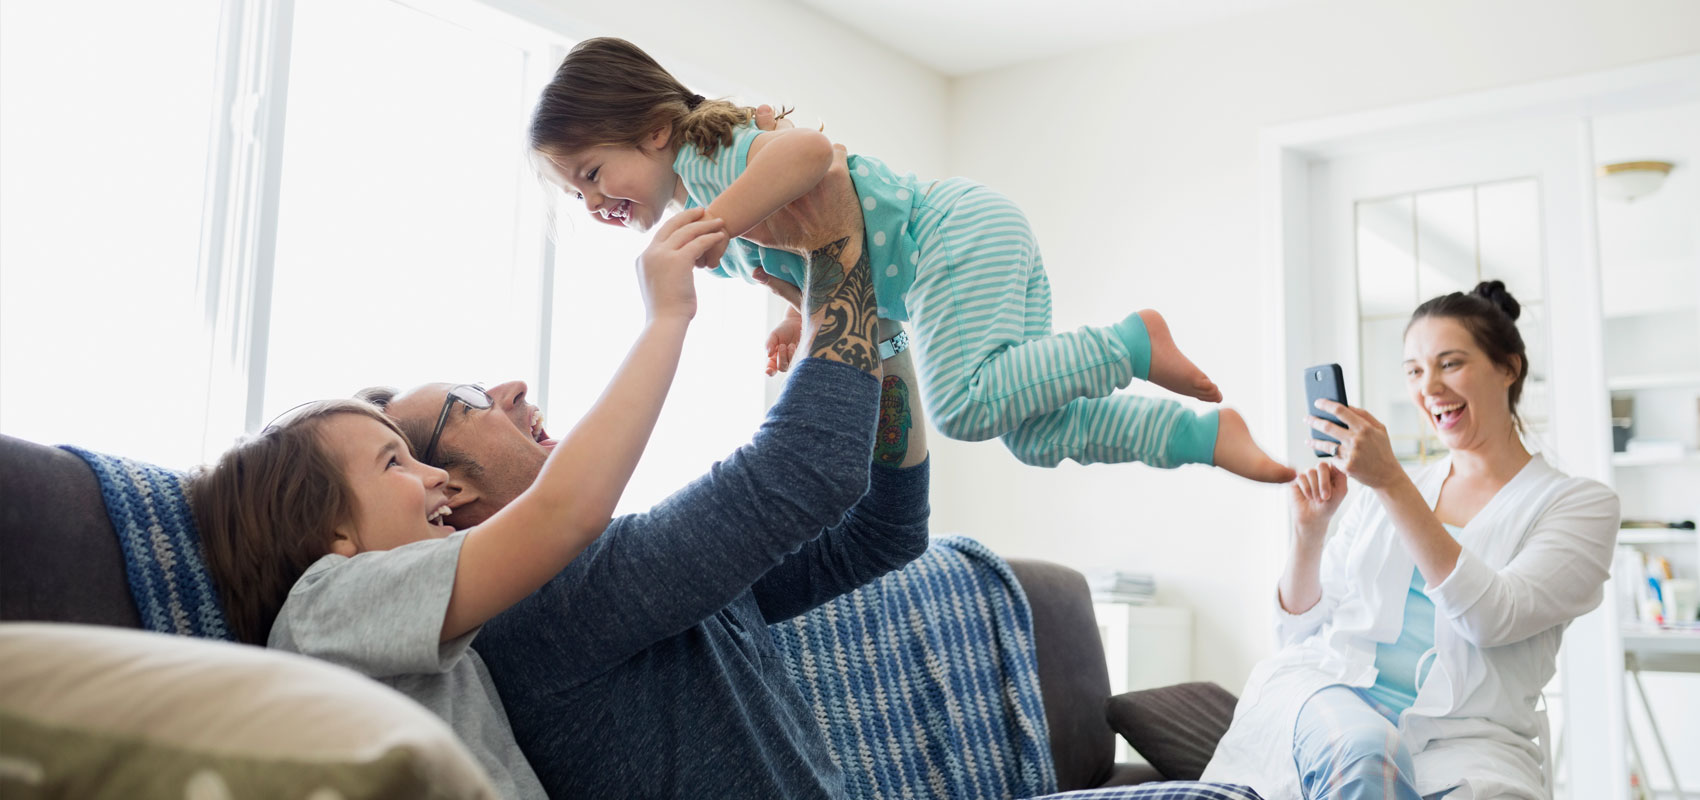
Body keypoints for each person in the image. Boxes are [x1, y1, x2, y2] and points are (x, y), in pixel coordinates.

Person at [362, 133, 936, 798]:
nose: (512, 387)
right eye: (467, 404)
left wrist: (885, 330)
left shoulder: (630, 565)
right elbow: (809, 467)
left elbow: (883, 533)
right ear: (445, 487)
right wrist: (841, 249)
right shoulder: (538, 608)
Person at [526, 36, 1294, 484]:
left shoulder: (711, 158)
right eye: (577, 196)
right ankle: (1200, 437)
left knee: (960, 408)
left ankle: (1132, 343)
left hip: (950, 234)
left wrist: (727, 218)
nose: (595, 204)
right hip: (943, 269)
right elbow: (820, 264)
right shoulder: (714, 237)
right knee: (1029, 431)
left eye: (592, 174)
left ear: (654, 131)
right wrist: (801, 321)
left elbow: (809, 153)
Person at [188, 209, 729, 799]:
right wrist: (667, 318)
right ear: (331, 528)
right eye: (394, 463)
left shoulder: (419, 630)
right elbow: (562, 513)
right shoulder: (322, 607)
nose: (436, 479)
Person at [1202, 281, 1621, 799]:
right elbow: (1298, 634)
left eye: (1450, 364)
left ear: (1508, 368)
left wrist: (1390, 483)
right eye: (1415, 371)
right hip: (1335, 696)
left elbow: (1492, 618)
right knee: (1367, 751)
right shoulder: (1391, 488)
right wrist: (1309, 536)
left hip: (1467, 741)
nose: (1430, 388)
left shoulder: (1579, 505)